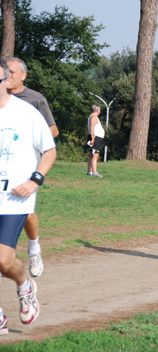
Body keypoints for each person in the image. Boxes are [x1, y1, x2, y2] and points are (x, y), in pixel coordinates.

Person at [0, 59, 56, 334]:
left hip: (14, 198)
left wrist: (35, 180)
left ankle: (25, 287)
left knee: (2, 259)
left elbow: (50, 150)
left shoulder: (26, 111)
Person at [6, 57, 58, 278]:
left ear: (23, 75)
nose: (8, 76)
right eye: (5, 72)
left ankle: (34, 249)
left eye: (12, 72)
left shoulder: (35, 100)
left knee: (27, 214)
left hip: (27, 166)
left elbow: (52, 132)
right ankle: (6, 258)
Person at [87, 104, 105, 177]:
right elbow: (91, 127)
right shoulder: (93, 117)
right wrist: (93, 138)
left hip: (95, 137)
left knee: (92, 155)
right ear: (98, 110)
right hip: (95, 137)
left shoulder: (92, 117)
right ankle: (94, 172)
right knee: (95, 155)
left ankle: (90, 172)